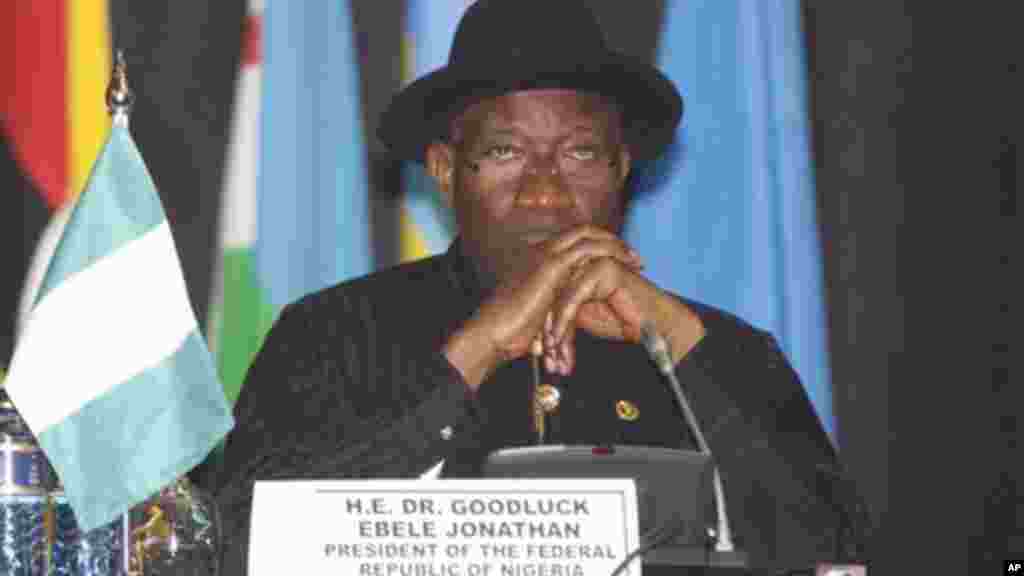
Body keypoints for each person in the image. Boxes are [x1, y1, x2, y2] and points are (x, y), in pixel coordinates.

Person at [210, 0, 872, 573]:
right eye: (504, 152)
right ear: (445, 169)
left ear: (622, 167)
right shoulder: (335, 334)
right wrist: (477, 350)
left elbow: (837, 550)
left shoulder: (721, 351)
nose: (545, 191)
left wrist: (678, 343)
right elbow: (233, 546)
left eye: (580, 153)